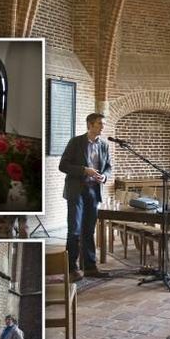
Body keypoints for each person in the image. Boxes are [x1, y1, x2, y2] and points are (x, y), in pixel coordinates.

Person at [59, 112, 113, 279]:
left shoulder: (104, 145)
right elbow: (63, 165)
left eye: (103, 124)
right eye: (99, 124)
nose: (102, 127)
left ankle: (90, 267)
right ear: (89, 125)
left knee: (89, 230)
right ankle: (71, 269)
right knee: (74, 230)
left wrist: (104, 176)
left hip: (93, 192)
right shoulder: (75, 142)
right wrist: (84, 170)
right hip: (76, 191)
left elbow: (108, 167)